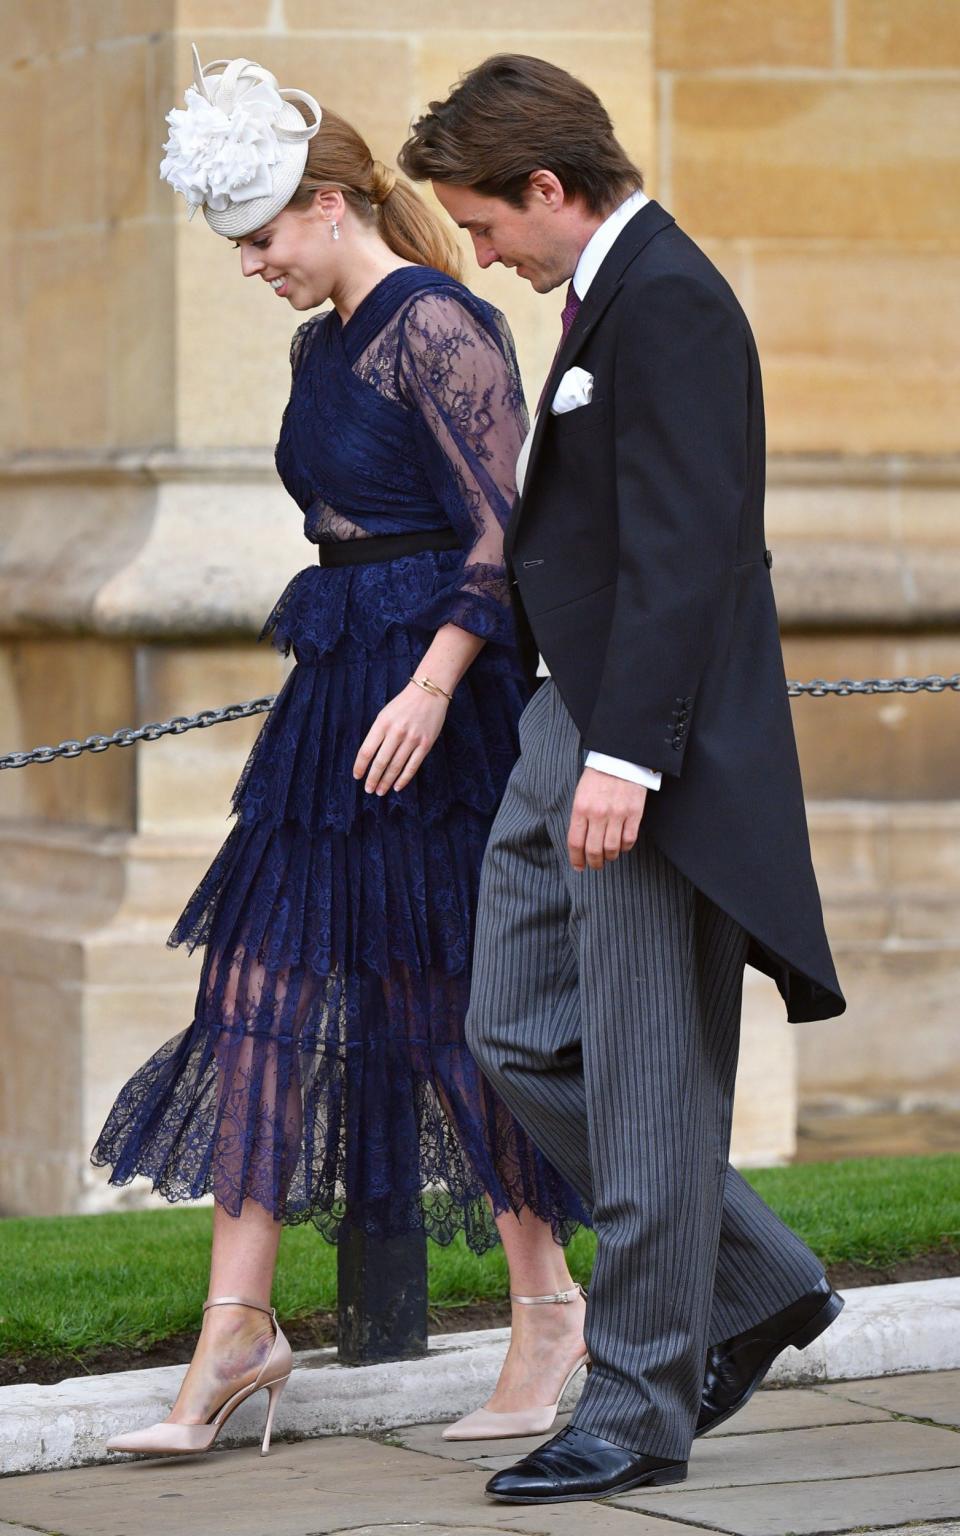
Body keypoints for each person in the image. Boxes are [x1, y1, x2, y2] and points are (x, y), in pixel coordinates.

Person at [93, 49, 591, 1460]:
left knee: (449, 1009)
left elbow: (505, 535)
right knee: (254, 982)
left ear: (326, 201)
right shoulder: (326, 343)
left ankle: (548, 1307)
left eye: (259, 238)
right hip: (337, 703)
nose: (250, 267)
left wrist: (436, 684)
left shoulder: (439, 326)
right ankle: (236, 1331)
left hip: (434, 701)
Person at [399, 53, 848, 1504]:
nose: (482, 254)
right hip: (564, 719)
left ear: (548, 186)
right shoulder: (607, 293)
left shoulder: (674, 299)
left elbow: (691, 549)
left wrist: (623, 756)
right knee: (515, 1029)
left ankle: (640, 1405)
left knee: (651, 1080)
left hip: (639, 749)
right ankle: (763, 1273)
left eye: (484, 224)